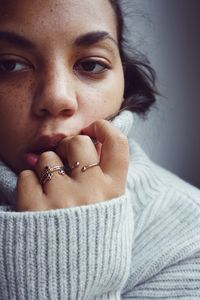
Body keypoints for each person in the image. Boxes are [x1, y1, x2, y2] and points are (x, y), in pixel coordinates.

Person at [0, 0, 200, 299]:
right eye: (10, 64)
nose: (57, 98)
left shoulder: (188, 240)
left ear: (124, 84)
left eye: (91, 65)